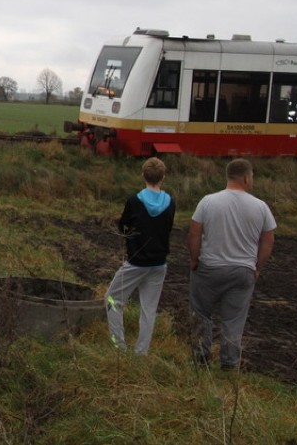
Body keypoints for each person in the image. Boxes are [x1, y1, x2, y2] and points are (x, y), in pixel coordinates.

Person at [188, 158, 276, 371]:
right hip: (242, 272)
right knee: (233, 320)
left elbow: (194, 233)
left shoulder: (207, 202)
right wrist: (257, 268)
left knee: (201, 313)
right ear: (246, 178)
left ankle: (201, 358)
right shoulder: (261, 207)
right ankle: (229, 364)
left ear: (228, 177)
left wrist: (194, 259)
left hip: (209, 268)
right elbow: (268, 241)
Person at [105, 157, 175, 354]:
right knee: (148, 309)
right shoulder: (170, 202)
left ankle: (118, 346)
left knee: (112, 300)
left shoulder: (135, 200)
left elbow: (124, 226)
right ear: (163, 177)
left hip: (136, 262)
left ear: (143, 175)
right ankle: (141, 352)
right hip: (159, 263)